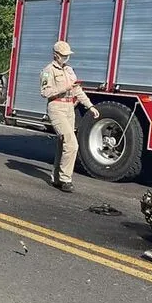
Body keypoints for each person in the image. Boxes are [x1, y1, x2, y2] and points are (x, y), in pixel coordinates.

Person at [40, 40, 100, 193]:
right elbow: (45, 92)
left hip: (69, 108)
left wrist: (90, 106)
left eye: (68, 56)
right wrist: (64, 88)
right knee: (72, 144)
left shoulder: (69, 70)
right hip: (56, 107)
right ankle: (66, 179)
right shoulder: (48, 71)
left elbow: (77, 90)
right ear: (56, 55)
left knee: (63, 143)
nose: (66, 59)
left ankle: (57, 178)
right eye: (63, 56)